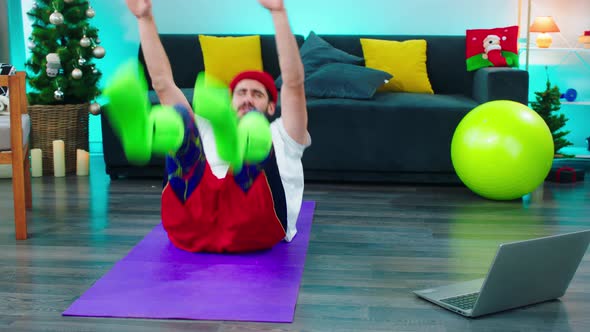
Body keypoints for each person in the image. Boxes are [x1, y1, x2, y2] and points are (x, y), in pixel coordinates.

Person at [115, 0, 310, 253]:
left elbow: (294, 84)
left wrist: (278, 13)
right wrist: (144, 18)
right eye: (241, 93)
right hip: (193, 223)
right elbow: (163, 84)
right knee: (180, 123)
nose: (248, 98)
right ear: (229, 103)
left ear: (272, 107)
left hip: (257, 225)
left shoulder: (284, 134)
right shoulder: (205, 127)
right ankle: (145, 134)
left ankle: (241, 146)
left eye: (257, 94)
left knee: (254, 129)